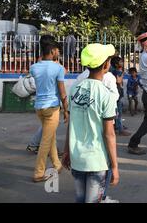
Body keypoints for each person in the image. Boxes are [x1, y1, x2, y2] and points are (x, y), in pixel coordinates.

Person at [61, 43, 119, 203]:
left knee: (80, 199)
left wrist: (66, 151)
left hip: (77, 157)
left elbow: (70, 124)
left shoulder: (75, 88)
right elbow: (109, 134)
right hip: (97, 161)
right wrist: (114, 166)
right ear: (106, 65)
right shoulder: (106, 95)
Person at [30, 39, 68, 182]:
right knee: (46, 141)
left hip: (39, 108)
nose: (58, 52)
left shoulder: (33, 67)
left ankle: (57, 164)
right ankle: (39, 172)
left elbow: (42, 66)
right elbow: (62, 92)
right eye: (57, 50)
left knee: (49, 136)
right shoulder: (57, 68)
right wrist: (66, 110)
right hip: (52, 108)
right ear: (52, 51)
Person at [110, 56, 130, 136]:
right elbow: (118, 81)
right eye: (120, 62)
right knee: (118, 112)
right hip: (116, 94)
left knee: (117, 112)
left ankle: (117, 126)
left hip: (118, 94)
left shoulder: (115, 70)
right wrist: (122, 74)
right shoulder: (116, 71)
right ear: (116, 64)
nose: (122, 63)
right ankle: (120, 129)